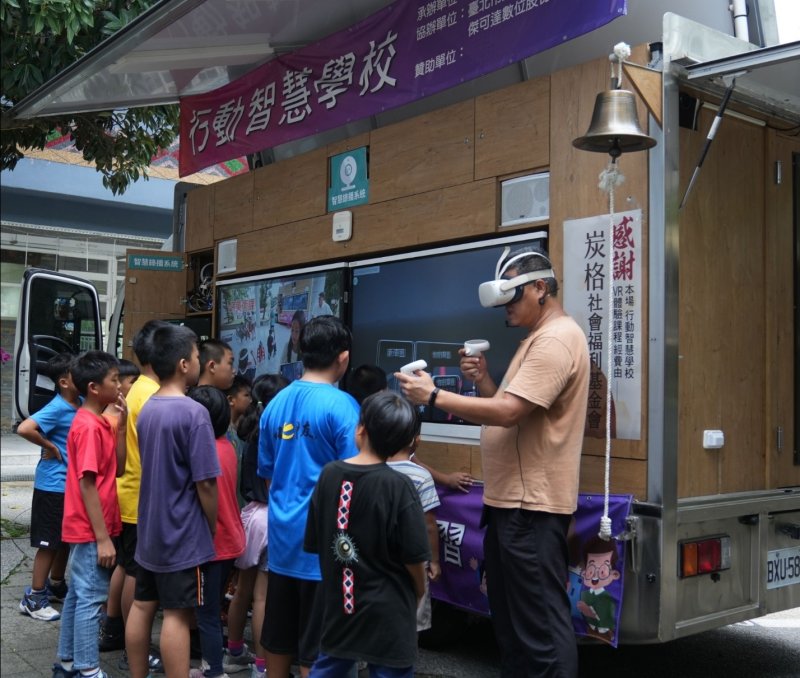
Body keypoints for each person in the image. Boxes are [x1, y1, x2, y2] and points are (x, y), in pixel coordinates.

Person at [395, 247, 590, 678]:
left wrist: (432, 396)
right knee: (516, 622)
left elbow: (508, 413)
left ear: (541, 288)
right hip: (515, 506)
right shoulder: (541, 338)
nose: (507, 309)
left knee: (537, 625)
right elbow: (509, 408)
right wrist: (482, 381)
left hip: (530, 507)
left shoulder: (556, 339)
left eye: (513, 298)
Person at [257, 316, 360, 678]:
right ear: (343, 358)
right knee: (317, 653)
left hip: (283, 541)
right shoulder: (344, 407)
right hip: (326, 548)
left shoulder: (275, 404)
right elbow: (356, 477)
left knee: (279, 641)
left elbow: (268, 477)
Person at [304, 391, 430, 677]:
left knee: (328, 668)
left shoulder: (329, 475)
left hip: (340, 606)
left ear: (360, 429)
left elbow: (315, 542)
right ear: (405, 443)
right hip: (391, 613)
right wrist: (419, 591)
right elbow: (415, 557)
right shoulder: (399, 486)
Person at [125, 324, 221, 678]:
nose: (199, 362)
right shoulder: (193, 414)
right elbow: (206, 485)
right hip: (181, 532)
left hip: (150, 527)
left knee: (141, 604)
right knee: (178, 615)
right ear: (183, 364)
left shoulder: (149, 406)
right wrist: (209, 526)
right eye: (197, 356)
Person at [99, 320, 169, 677]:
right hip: (142, 498)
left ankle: (115, 630)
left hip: (128, 494)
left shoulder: (136, 389)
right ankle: (132, 647)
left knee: (127, 567)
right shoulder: (154, 395)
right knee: (138, 579)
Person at [52, 350, 127, 678]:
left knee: (79, 595)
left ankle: (67, 662)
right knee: (90, 599)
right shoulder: (89, 427)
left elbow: (119, 469)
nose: (120, 385)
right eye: (115, 380)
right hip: (90, 528)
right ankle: (87, 668)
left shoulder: (97, 423)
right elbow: (87, 484)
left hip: (91, 526)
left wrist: (120, 428)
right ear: (95, 388)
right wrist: (102, 539)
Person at [226, 374, 289, 678]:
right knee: (264, 598)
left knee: (242, 590)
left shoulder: (249, 430)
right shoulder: (279, 433)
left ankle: (235, 650)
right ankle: (263, 667)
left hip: (250, 516)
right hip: (272, 516)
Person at [188, 386, 247, 678]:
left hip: (213, 543)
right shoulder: (227, 445)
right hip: (231, 539)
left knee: (207, 613)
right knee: (212, 607)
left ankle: (213, 670)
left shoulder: (203, 449)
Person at [17, 353, 80, 622]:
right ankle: (34, 597)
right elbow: (25, 428)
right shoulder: (57, 407)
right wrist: (50, 445)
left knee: (63, 540)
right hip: (52, 485)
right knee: (48, 543)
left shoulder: (79, 403)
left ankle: (55, 584)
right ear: (64, 382)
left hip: (68, 485)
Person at [386, 415, 441, 633]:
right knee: (410, 621)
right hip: (412, 559)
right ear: (416, 441)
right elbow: (429, 525)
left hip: (376, 557)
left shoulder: (372, 469)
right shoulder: (421, 476)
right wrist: (434, 561)